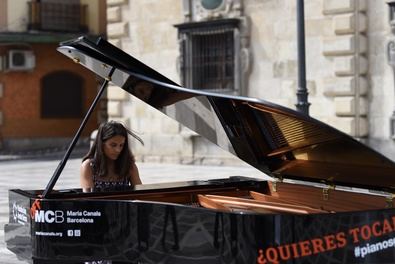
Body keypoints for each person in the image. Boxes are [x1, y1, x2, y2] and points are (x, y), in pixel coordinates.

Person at [80, 121, 144, 193]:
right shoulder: (88, 166)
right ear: (101, 144)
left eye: (121, 145)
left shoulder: (129, 166)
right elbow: (87, 198)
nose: (118, 150)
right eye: (113, 145)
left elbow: (140, 194)